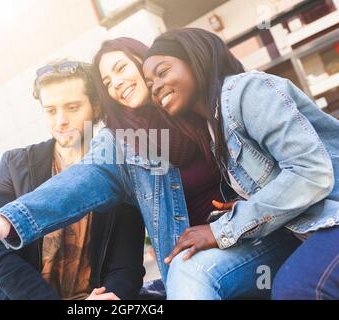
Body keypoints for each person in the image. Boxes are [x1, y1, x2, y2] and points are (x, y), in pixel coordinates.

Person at [0, 35, 302, 300]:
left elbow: (126, 265)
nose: (61, 121)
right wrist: (6, 222)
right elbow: (75, 185)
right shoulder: (120, 145)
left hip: (256, 236)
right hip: (186, 262)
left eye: (121, 68)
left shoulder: (200, 108)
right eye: (108, 81)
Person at [142, 28, 339, 300]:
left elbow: (310, 173)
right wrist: (243, 205)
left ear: (195, 58)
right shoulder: (215, 128)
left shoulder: (246, 91)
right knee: (189, 267)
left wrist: (223, 229)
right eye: (150, 85)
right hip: (303, 228)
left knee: (296, 287)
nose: (156, 87)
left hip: (332, 217)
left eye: (162, 72)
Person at [0, 60, 146, 300]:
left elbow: (126, 266)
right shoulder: (16, 164)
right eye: (51, 110)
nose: (60, 121)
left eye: (73, 107)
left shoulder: (119, 166)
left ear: (96, 107)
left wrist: (112, 296)